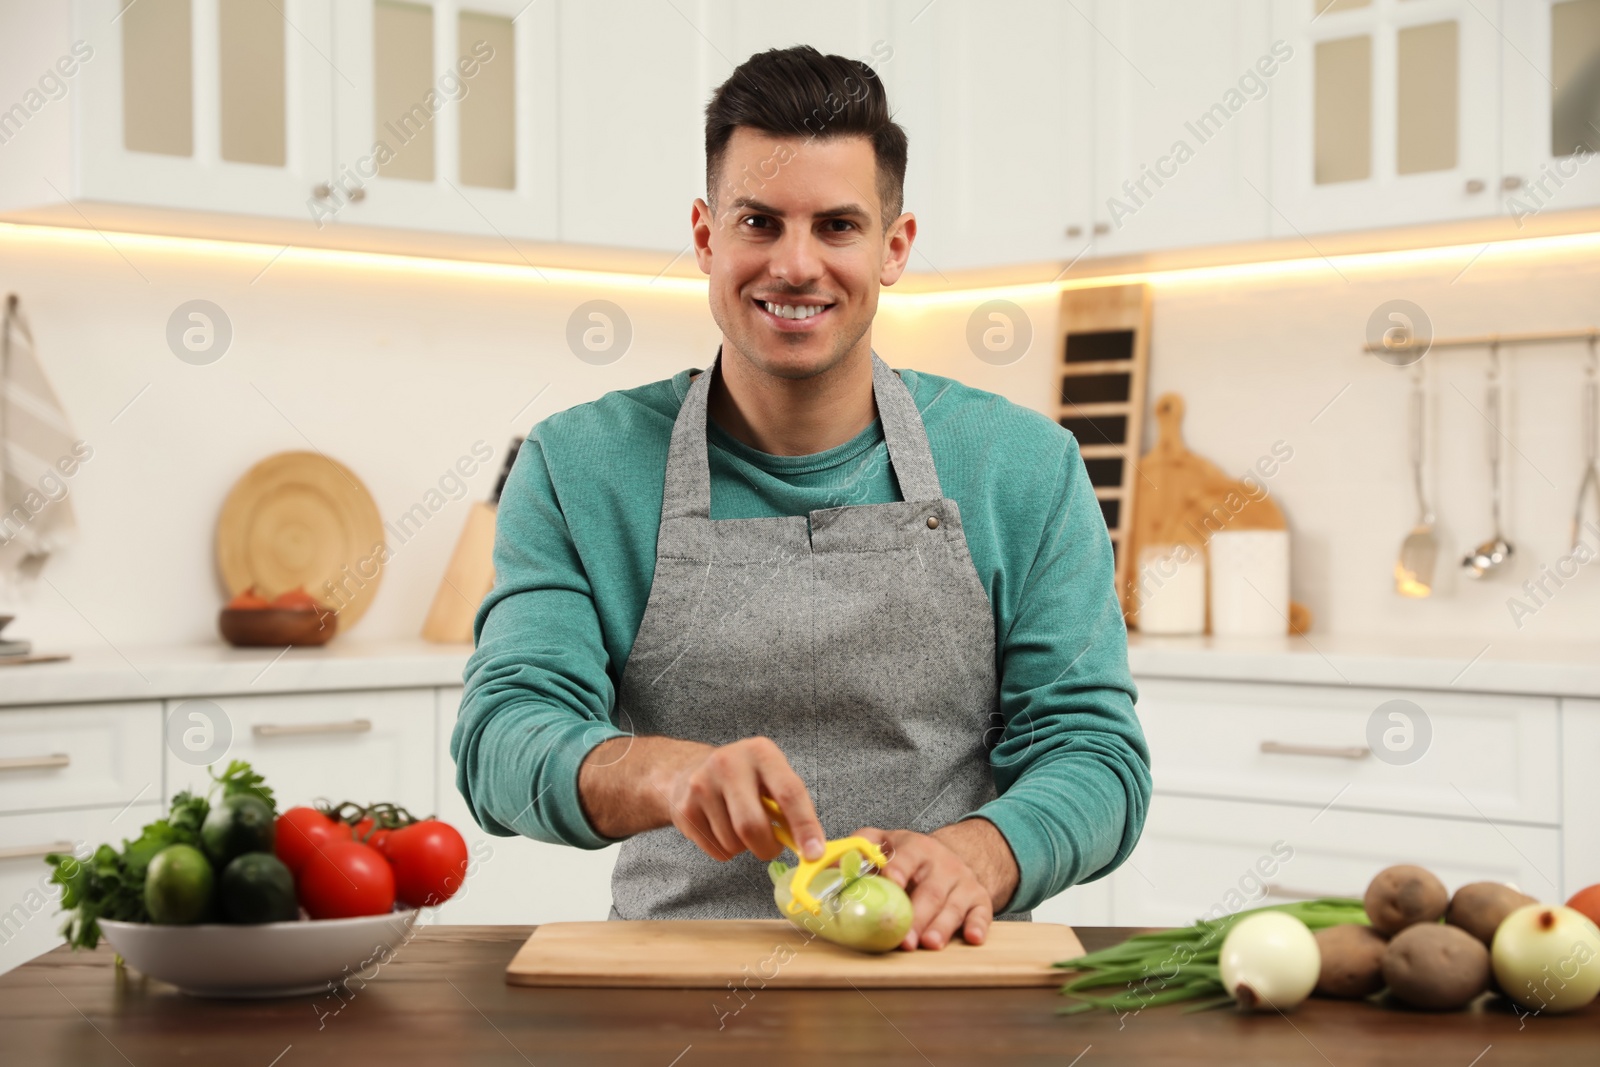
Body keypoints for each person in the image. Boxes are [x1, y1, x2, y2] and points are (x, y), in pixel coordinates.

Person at [452, 45, 1150, 952]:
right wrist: (670, 776)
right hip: (674, 976)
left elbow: (1095, 754)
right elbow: (502, 737)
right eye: (758, 222)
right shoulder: (578, 464)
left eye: (836, 226)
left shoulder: (1022, 465)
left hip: (942, 967)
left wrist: (979, 855)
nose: (794, 264)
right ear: (706, 237)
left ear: (892, 248)